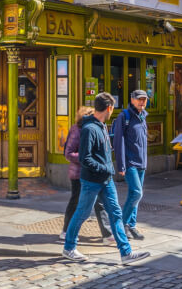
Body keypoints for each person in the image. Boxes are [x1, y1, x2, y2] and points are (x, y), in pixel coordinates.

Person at [62, 93, 150, 265]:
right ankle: (69, 247)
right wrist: (106, 168)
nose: (113, 112)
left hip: (106, 181)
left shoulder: (102, 125)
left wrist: (108, 169)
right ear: (108, 108)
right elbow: (84, 159)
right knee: (82, 213)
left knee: (116, 214)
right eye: (112, 108)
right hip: (92, 181)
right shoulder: (90, 129)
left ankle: (126, 253)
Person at [61, 107, 113, 244]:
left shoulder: (95, 129)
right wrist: (85, 157)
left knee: (99, 203)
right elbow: (69, 153)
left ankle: (107, 235)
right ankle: (66, 231)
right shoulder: (77, 130)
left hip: (93, 173)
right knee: (77, 203)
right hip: (78, 174)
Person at [114, 89, 149, 240]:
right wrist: (121, 165)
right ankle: (121, 225)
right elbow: (118, 142)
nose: (142, 102)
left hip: (141, 162)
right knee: (136, 193)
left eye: (144, 99)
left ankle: (131, 225)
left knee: (135, 195)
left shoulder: (143, 116)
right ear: (132, 99)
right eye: (139, 99)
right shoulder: (124, 116)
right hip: (130, 162)